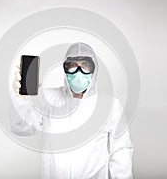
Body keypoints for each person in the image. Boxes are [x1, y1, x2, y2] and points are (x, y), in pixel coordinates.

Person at [10, 42, 134, 179]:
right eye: (73, 66)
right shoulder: (48, 98)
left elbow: (121, 151)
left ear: (94, 69)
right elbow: (21, 128)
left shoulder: (110, 105)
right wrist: (22, 100)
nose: (78, 72)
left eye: (85, 66)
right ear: (65, 68)